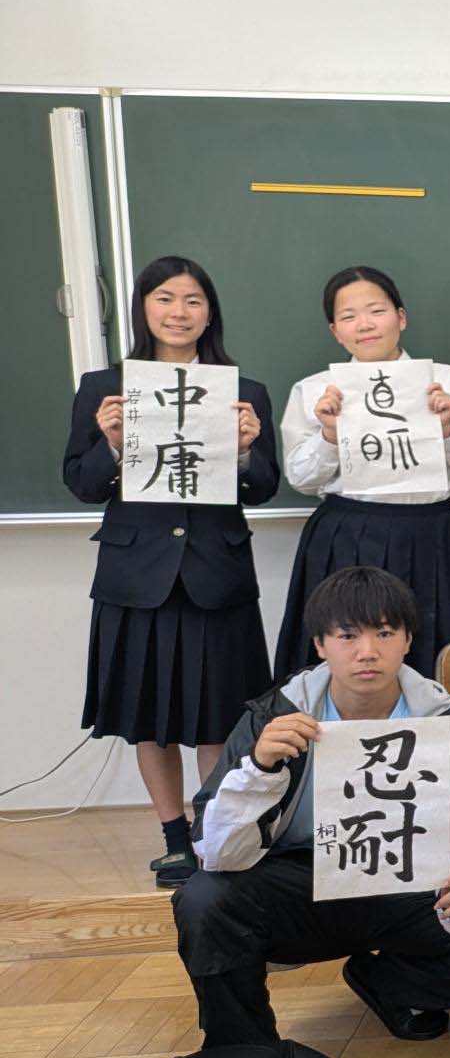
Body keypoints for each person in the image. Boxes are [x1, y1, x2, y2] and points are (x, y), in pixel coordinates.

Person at [173, 566, 450, 1047]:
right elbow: (213, 849)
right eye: (347, 636)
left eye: (384, 634)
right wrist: (260, 769)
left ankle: (392, 986)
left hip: (411, 888)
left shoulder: (445, 724)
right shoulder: (276, 716)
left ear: (407, 640)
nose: (367, 652)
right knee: (204, 899)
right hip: (303, 885)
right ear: (320, 645)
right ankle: (244, 1051)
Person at [64, 256, 279, 888]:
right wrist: (109, 441)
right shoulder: (103, 387)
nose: (178, 312)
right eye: (164, 298)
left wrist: (246, 451)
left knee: (220, 715)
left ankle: (216, 834)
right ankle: (175, 840)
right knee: (148, 715)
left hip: (217, 572)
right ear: (143, 308)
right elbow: (81, 483)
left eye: (192, 301)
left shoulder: (244, 390)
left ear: (210, 313)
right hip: (138, 575)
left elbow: (265, 486)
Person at [274, 266, 450, 677]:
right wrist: (329, 434)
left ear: (401, 317)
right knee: (345, 669)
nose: (365, 324)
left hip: (431, 535)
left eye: (376, 311)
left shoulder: (448, 381)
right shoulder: (314, 390)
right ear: (335, 331)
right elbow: (302, 480)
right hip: (346, 534)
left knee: (437, 669)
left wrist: (447, 430)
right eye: (349, 316)